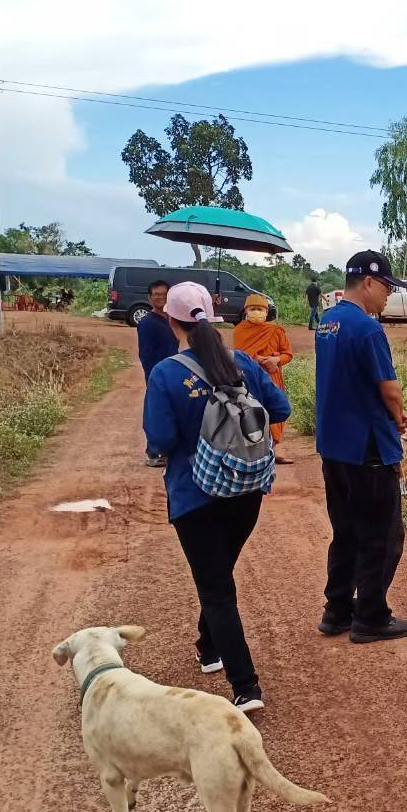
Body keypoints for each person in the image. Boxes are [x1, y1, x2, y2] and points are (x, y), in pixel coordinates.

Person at [143, 282, 291, 714]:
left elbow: (160, 440)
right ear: (215, 317)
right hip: (246, 489)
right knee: (219, 574)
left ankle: (245, 687)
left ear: (171, 321)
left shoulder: (167, 373)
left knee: (216, 587)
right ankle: (208, 649)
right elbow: (279, 410)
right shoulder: (242, 362)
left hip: (195, 494)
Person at [313, 250, 407, 644]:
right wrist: (398, 414)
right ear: (369, 282)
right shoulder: (368, 329)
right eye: (387, 287)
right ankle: (371, 615)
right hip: (368, 447)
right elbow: (388, 387)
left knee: (346, 530)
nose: (389, 295)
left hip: (335, 444)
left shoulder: (328, 321)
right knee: (383, 535)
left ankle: (337, 609)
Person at [233, 293, 295, 464]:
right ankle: (254, 452)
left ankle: (272, 450)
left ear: (267, 312)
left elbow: (288, 354)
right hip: (250, 379)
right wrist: (260, 360)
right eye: (253, 309)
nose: (257, 312)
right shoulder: (239, 330)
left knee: (275, 411)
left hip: (273, 377)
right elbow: (240, 355)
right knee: (251, 413)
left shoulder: (276, 330)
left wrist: (276, 359)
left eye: (260, 309)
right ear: (246, 312)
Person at [137, 280, 180, 468]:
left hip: (176, 373)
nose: (161, 298)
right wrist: (151, 377)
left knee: (175, 413)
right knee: (157, 414)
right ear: (150, 298)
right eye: (157, 295)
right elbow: (145, 353)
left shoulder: (173, 320)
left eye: (164, 294)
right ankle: (153, 452)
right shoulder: (147, 323)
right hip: (158, 374)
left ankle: (171, 451)